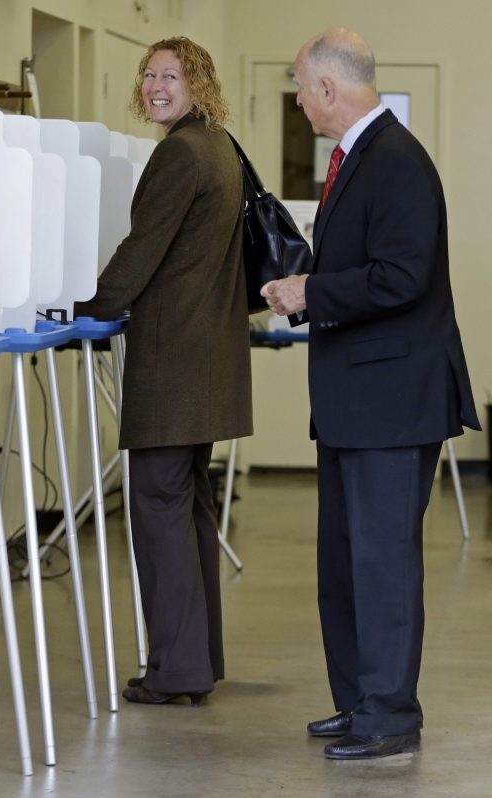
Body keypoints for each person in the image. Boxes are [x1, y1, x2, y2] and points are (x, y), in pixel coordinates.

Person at [262, 28, 481, 759]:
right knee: (344, 562)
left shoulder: (396, 162)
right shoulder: (362, 158)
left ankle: (389, 714)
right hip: (359, 401)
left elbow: (401, 277)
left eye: (300, 85)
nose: (297, 100)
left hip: (390, 402)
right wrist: (305, 291)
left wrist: (310, 289)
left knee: (382, 565)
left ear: (329, 88)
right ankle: (359, 702)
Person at [73, 36, 252, 706]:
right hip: (205, 362)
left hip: (173, 364)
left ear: (198, 82)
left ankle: (176, 670)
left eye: (169, 76)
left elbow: (143, 247)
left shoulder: (180, 152)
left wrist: (89, 307)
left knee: (159, 511)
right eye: (148, 75)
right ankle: (198, 661)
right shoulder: (219, 146)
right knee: (190, 510)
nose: (154, 86)